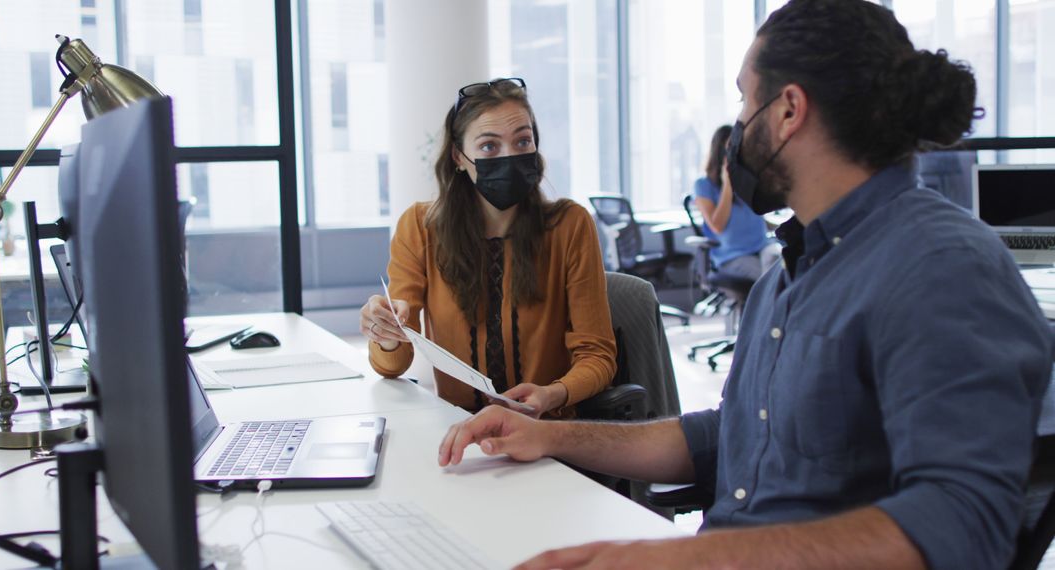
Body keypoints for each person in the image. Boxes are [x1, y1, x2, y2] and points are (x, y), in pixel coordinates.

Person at [437, 1, 1053, 568]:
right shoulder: (788, 275)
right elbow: (730, 433)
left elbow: (962, 528)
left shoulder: (940, 266)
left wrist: (678, 560)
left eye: (743, 102)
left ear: (787, 111)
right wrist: (550, 435)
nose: (736, 127)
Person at [360, 78, 617, 419]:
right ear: (458, 157)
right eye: (489, 147)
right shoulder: (421, 227)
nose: (510, 155)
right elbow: (392, 366)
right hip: (461, 431)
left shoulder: (569, 225)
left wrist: (553, 395)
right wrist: (388, 333)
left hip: (547, 433)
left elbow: (598, 356)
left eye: (523, 141)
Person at [693, 124, 777, 281]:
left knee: (781, 266)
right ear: (720, 153)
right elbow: (717, 226)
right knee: (766, 281)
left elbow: (755, 216)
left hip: (763, 246)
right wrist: (727, 184)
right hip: (733, 256)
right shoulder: (703, 185)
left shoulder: (746, 181)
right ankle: (768, 305)